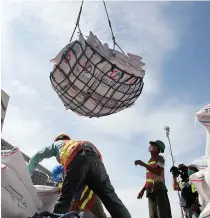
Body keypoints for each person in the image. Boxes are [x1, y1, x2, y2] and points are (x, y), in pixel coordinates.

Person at [28, 133, 131, 218]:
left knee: (64, 200)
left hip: (78, 159)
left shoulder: (56, 145)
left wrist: (26, 176)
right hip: (97, 161)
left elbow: (36, 157)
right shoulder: (75, 143)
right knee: (112, 199)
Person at [134, 140, 172, 218]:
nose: (150, 146)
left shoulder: (160, 158)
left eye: (153, 145)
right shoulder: (149, 162)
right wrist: (142, 191)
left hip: (159, 189)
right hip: (150, 192)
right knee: (153, 216)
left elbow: (158, 172)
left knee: (162, 214)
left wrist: (143, 164)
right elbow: (149, 179)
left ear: (158, 148)